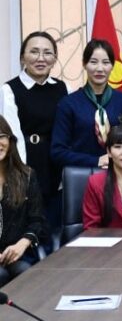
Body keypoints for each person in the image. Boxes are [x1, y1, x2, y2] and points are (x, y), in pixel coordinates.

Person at [0, 32, 68, 228]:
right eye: (34, 52)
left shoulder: (63, 88)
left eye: (47, 53)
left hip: (55, 161)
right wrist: (23, 175)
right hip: (26, 160)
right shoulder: (9, 89)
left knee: (55, 223)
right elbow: (12, 135)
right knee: (30, 221)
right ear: (23, 57)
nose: (41, 58)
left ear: (55, 58)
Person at [51, 40, 122, 169]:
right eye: (93, 62)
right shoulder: (68, 104)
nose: (100, 68)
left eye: (105, 62)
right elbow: (57, 152)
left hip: (119, 174)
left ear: (112, 66)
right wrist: (95, 161)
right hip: (82, 175)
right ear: (84, 64)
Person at [0, 115, 47, 287]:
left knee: (26, 273)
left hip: (18, 253)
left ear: (10, 140)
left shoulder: (26, 176)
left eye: (1, 137)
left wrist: (23, 243)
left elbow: (37, 220)